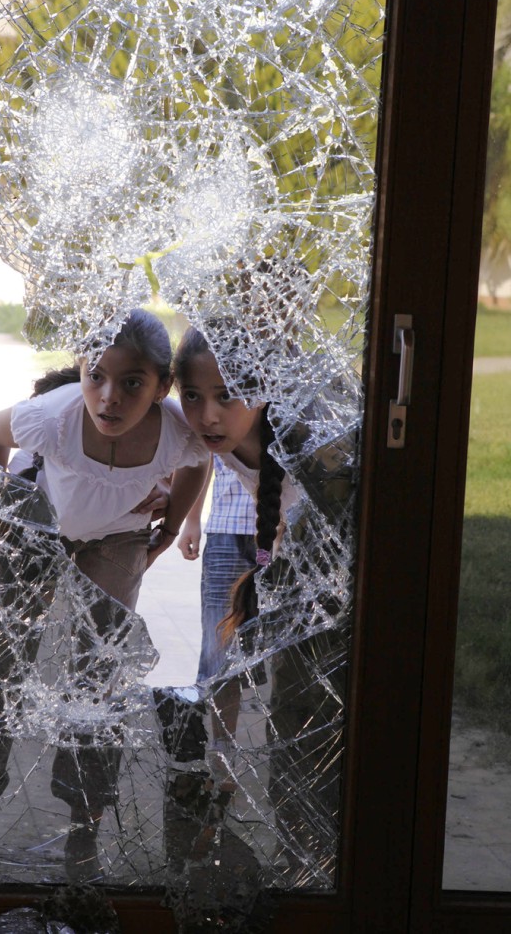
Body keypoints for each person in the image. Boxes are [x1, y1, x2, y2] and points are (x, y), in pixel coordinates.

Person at [0, 309, 210, 878]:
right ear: (82, 371)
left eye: (131, 383)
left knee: (100, 673)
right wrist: (1, 507)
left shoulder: (176, 431)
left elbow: (198, 462)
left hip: (119, 538)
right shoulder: (52, 420)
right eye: (96, 377)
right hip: (39, 525)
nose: (109, 398)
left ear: (161, 388)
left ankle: (85, 828)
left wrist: (169, 527)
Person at [173, 324, 356, 886]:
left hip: (344, 585)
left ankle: (320, 868)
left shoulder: (317, 451)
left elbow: (340, 528)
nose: (208, 415)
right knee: (295, 720)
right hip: (312, 565)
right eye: (194, 398)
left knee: (315, 719)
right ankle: (304, 862)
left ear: (264, 392)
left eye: (227, 397)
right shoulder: (228, 444)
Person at [178, 455, 259, 692]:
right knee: (218, 648)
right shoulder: (223, 418)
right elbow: (202, 456)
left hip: (281, 533)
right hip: (227, 526)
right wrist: (192, 520)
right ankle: (219, 729)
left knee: (276, 645)